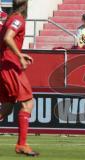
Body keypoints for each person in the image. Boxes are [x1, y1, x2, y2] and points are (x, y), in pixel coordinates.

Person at [0, 0, 39, 156]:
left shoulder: (9, 19)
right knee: (28, 103)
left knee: (7, 108)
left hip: (3, 64)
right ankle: (22, 144)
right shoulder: (17, 19)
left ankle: (22, 144)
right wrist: (19, 56)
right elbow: (8, 38)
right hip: (10, 66)